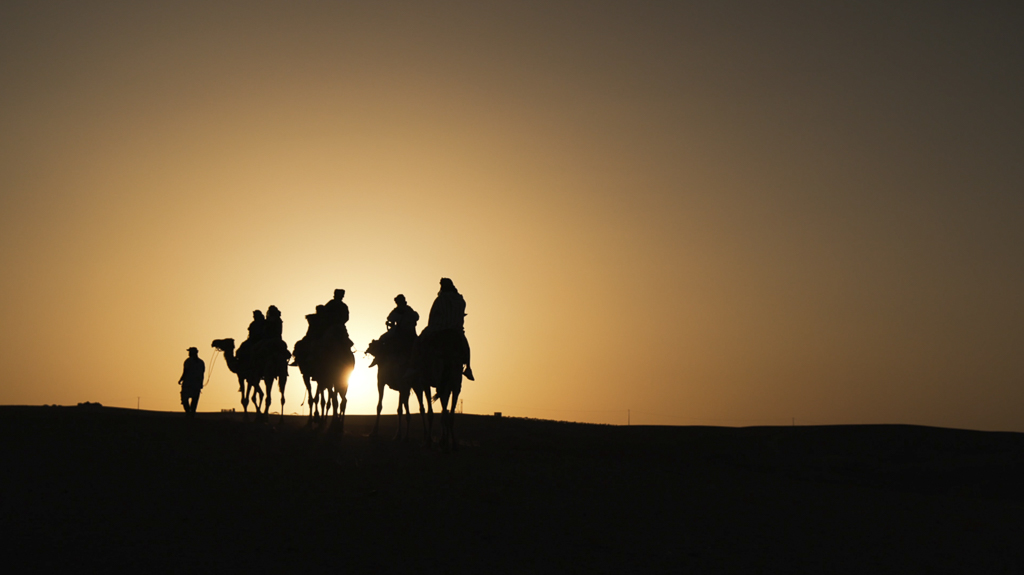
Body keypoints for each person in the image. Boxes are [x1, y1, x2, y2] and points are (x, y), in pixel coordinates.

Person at [423, 278, 474, 380]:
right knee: (465, 346)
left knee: (419, 341)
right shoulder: (460, 300)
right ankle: (468, 367)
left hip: (439, 329)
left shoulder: (440, 299)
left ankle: (414, 367)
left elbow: (433, 315)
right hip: (456, 330)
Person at [178, 347, 206, 417]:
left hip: (188, 383)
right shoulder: (201, 362)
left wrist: (181, 379)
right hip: (196, 384)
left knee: (185, 398)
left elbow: (185, 372)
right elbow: (202, 374)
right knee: (194, 400)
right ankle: (191, 414)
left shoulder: (188, 361)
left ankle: (189, 413)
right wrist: (201, 383)